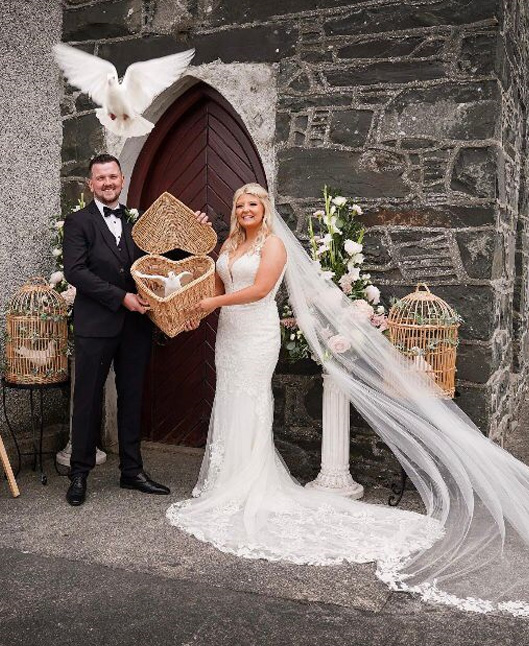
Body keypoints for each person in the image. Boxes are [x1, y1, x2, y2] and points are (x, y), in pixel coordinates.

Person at [167, 183, 529, 617]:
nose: (245, 209)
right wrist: (194, 309)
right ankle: (225, 480)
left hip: (257, 334)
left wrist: (212, 300)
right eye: (240, 204)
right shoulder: (228, 244)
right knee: (229, 397)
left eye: (253, 204)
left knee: (252, 401)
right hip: (230, 334)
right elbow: (214, 281)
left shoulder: (275, 244)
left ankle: (249, 481)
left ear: (265, 209)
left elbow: (261, 291)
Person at [63, 153, 208, 506]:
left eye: (113, 177)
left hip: (136, 326)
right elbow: (76, 272)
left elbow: (166, 259)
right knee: (87, 399)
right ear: (91, 184)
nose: (108, 183)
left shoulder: (138, 222)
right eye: (101, 178)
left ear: (122, 179)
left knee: (133, 397)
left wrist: (195, 227)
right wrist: (121, 298)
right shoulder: (77, 222)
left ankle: (132, 471)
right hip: (96, 324)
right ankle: (79, 474)